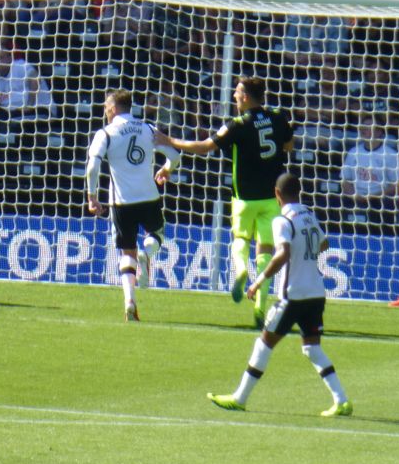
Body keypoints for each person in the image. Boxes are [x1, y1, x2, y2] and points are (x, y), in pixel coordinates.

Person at [207, 173, 352, 417]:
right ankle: (341, 400)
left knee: (263, 343)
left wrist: (259, 280)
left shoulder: (281, 221)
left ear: (276, 194)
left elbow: (282, 253)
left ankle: (239, 398)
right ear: (299, 192)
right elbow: (324, 244)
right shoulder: (308, 213)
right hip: (316, 293)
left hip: (292, 296)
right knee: (311, 348)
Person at [159, 76, 294, 326]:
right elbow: (289, 145)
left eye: (237, 92)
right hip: (272, 196)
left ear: (245, 97)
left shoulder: (238, 124)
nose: (234, 96)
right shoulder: (278, 116)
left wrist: (169, 141)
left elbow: (204, 147)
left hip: (244, 197)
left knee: (241, 239)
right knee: (265, 249)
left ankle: (241, 269)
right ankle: (260, 306)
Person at [85, 89, 180, 321]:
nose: (105, 110)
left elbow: (92, 167)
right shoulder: (147, 129)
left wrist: (91, 196)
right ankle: (147, 253)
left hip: (121, 202)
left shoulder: (105, 133)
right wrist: (167, 169)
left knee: (127, 250)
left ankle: (130, 301)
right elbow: (175, 155)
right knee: (156, 234)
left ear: (114, 108)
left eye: (107, 106)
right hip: (148, 196)